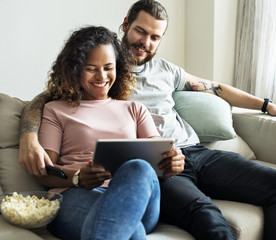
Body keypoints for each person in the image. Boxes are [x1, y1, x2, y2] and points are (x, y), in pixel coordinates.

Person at [19, 1, 276, 239]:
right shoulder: (59, 104)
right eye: (140, 31)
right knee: (140, 222)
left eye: (155, 37)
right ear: (126, 24)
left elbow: (214, 90)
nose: (102, 76)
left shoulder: (146, 92)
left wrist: (265, 105)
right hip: (98, 188)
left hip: (173, 166)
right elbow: (44, 118)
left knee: (139, 168)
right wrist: (40, 146)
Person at [32, 25, 184, 240]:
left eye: (108, 67)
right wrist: (77, 178)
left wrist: (173, 162)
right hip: (75, 196)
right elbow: (46, 171)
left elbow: (156, 160)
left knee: (138, 167)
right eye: (91, 68)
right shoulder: (55, 109)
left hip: (138, 198)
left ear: (118, 68)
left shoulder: (135, 109)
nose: (101, 76)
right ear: (75, 69)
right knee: (133, 232)